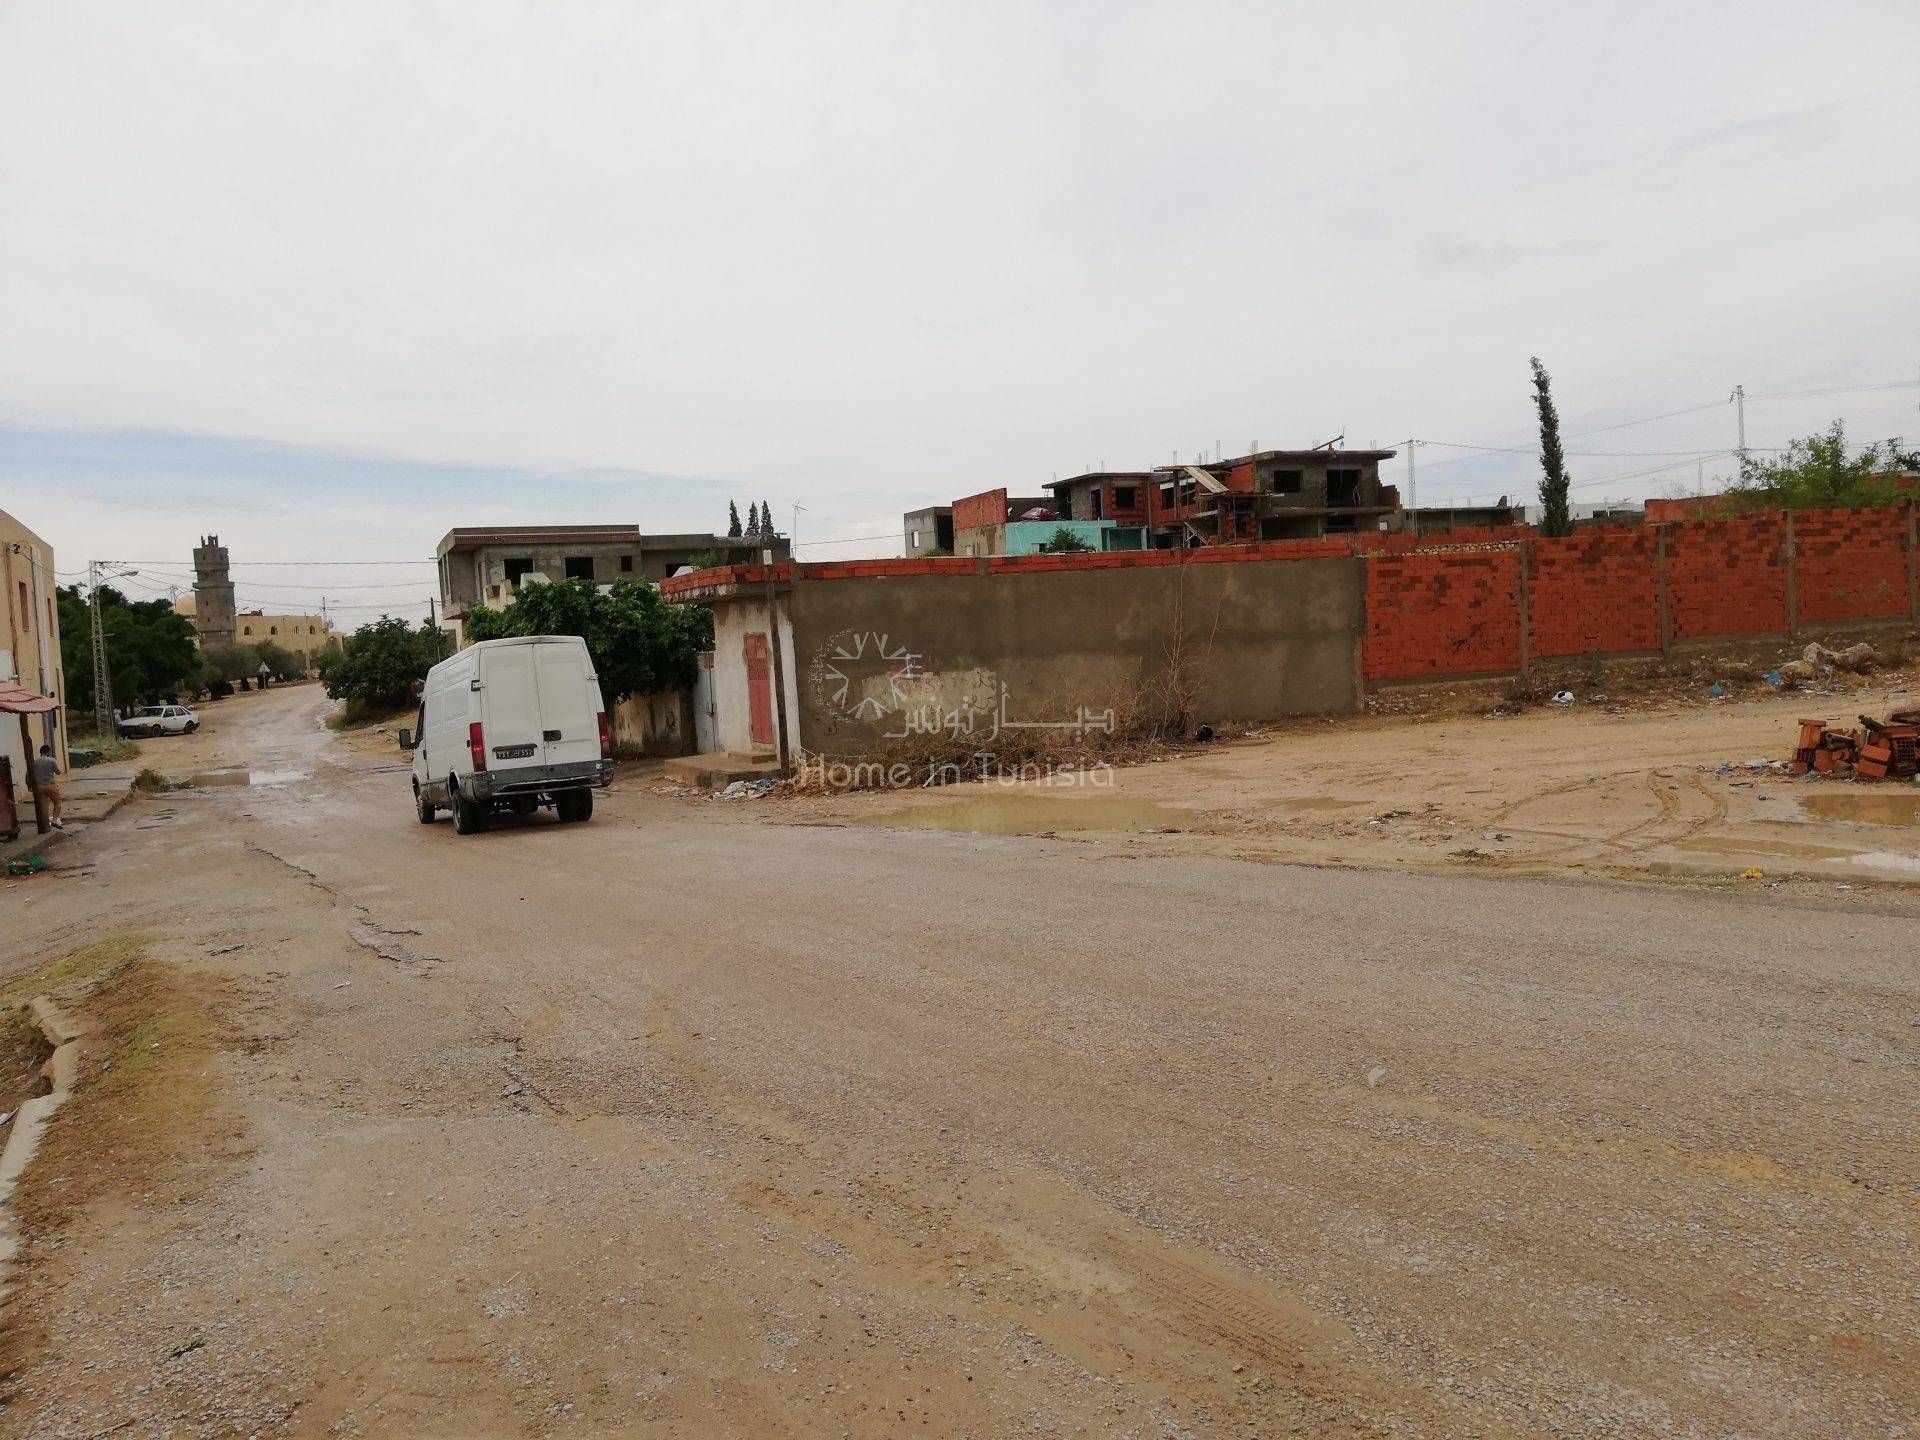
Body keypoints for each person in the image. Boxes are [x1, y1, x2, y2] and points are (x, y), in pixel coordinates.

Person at [31, 743, 62, 830]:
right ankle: (54, 820)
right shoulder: (51, 760)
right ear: (48, 752)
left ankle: (46, 826)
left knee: (44, 807)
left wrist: (30, 786)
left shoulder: (34, 762)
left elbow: (28, 775)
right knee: (57, 803)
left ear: (40, 752)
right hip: (51, 785)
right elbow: (58, 772)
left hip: (39, 787)